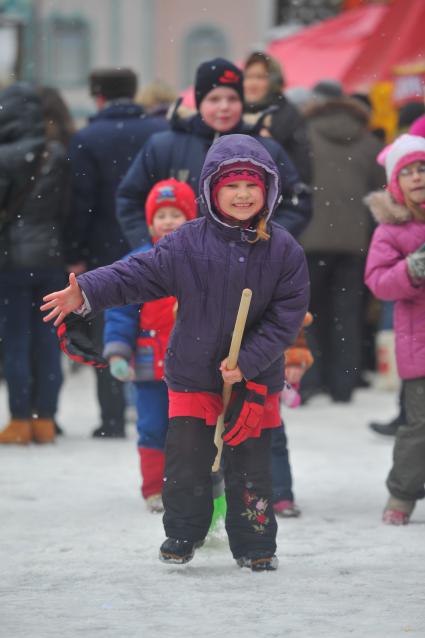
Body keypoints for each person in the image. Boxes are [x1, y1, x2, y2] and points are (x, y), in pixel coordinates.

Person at [41, 134, 310, 571]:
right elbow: (136, 273)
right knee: (186, 461)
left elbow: (286, 317)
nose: (242, 194)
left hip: (255, 378)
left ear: (268, 190)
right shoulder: (187, 243)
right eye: (231, 185)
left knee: (251, 465)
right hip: (191, 370)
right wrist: (87, 290)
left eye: (252, 185)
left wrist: (247, 362)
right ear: (210, 189)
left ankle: (256, 543)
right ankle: (183, 533)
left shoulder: (283, 250)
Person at [116, 57, 312, 251]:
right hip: (178, 265)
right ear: (199, 102)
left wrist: (266, 241)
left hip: (247, 267)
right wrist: (148, 246)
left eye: (232, 99)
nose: (224, 107)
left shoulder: (266, 148)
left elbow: (296, 202)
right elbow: (129, 199)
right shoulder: (162, 146)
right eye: (214, 99)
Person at [66, 68, 168, 438]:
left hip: (103, 249)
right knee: (162, 324)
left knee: (110, 327)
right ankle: (164, 403)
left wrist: (75, 250)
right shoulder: (158, 134)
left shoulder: (86, 138)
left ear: (98, 97)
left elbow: (79, 202)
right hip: (159, 241)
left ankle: (112, 416)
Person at [103, 179, 197, 512]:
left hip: (194, 367)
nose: (169, 221)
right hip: (149, 363)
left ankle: (192, 487)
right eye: (162, 215)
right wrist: (117, 350)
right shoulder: (139, 262)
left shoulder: (201, 261)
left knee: (192, 430)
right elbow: (120, 312)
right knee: (153, 427)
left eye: (176, 214)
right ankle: (155, 488)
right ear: (150, 222)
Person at [299, 86, 385, 403]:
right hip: (354, 243)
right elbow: (382, 193)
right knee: (347, 314)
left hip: (310, 240)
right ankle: (343, 385)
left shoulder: (305, 136)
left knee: (308, 314)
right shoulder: (368, 142)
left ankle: (310, 380)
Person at [0, 83, 70, 444]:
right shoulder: (55, 153)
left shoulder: (4, 155)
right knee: (47, 340)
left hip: (10, 263)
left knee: (15, 340)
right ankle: (46, 418)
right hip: (52, 261)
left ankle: (20, 419)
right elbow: (67, 210)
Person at [364, 134, 425, 525]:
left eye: (424, 170)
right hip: (419, 348)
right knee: (418, 428)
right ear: (395, 184)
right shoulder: (391, 232)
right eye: (410, 173)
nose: (418, 178)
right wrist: (412, 269)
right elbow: (379, 281)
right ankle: (401, 495)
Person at [243, 50, 312, 184]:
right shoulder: (235, 113)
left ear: (273, 82)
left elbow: (302, 170)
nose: (252, 83)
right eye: (248, 77)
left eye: (260, 77)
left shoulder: (288, 115)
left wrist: (270, 145)